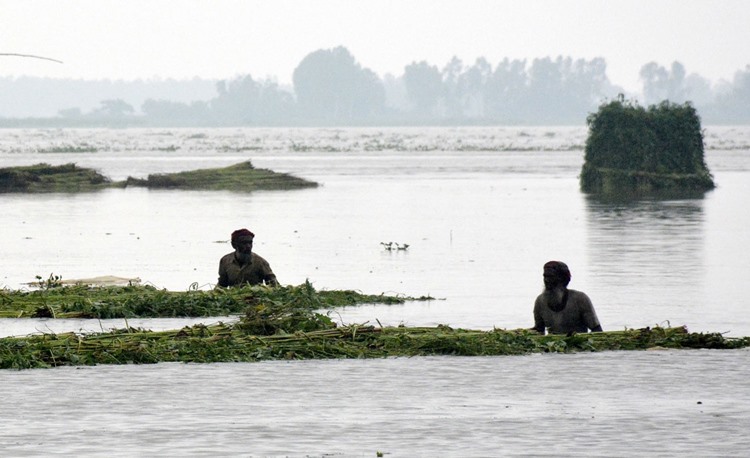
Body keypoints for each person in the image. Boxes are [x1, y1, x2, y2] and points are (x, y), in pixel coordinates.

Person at [531, 261, 602, 335]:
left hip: (578, 343)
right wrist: (523, 334)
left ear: (561, 279)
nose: (547, 280)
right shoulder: (540, 301)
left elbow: (597, 330)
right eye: (545, 276)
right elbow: (539, 330)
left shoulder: (580, 299)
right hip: (553, 345)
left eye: (551, 277)